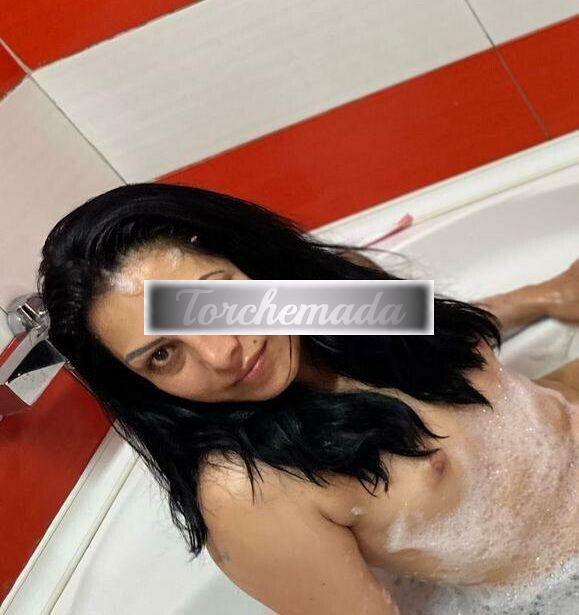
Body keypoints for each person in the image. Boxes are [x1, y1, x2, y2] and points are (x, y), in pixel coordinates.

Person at [37, 183, 578, 615]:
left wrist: (547, 295)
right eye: (163, 355)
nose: (223, 353)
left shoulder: (321, 299)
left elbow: (440, 337)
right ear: (143, 387)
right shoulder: (251, 493)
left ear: (247, 260)